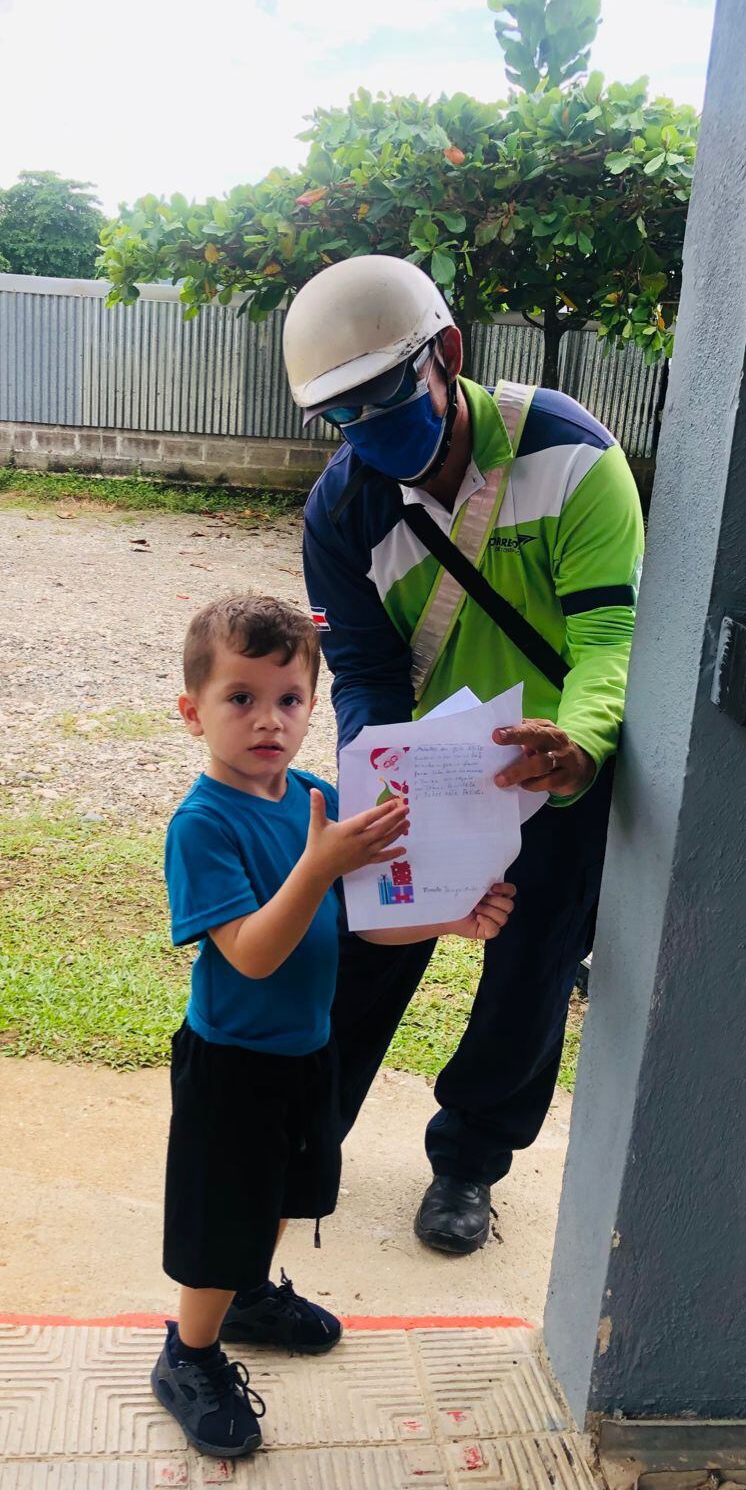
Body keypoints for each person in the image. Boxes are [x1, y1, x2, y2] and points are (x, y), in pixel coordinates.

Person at [288, 254, 645, 1257]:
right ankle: (307, 1145)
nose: (364, 433)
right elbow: (357, 664)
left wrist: (577, 745)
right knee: (360, 957)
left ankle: (469, 1163)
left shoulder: (572, 454)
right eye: (339, 418)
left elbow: (609, 637)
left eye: (382, 399)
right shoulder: (345, 508)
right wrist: (376, 760)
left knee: (528, 973)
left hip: (554, 770)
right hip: (429, 773)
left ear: (446, 354)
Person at [152, 593, 515, 1458]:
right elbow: (251, 954)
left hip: (307, 1052)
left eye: (288, 699)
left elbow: (367, 919)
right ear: (191, 709)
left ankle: (246, 1297)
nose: (267, 720)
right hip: (231, 1063)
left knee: (282, 1193)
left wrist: (444, 920)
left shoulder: (314, 797)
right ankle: (189, 1352)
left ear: (314, 707)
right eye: (240, 697)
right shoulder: (203, 825)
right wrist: (317, 863)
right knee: (223, 1216)